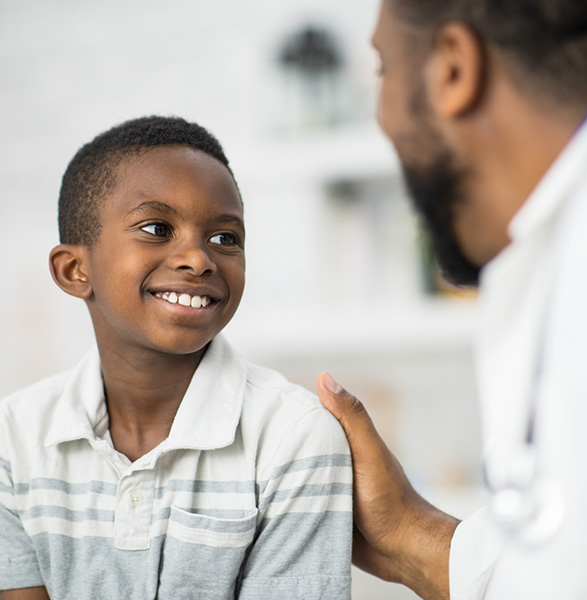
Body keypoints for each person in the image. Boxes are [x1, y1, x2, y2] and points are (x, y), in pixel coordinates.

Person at [0, 116, 353, 599]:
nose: (199, 258)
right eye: (156, 228)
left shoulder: (294, 438)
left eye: (225, 238)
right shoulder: (12, 439)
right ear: (74, 270)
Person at [316, 0, 587, 598]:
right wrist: (404, 533)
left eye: (382, 68)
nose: (382, 116)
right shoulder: (553, 256)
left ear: (452, 68)